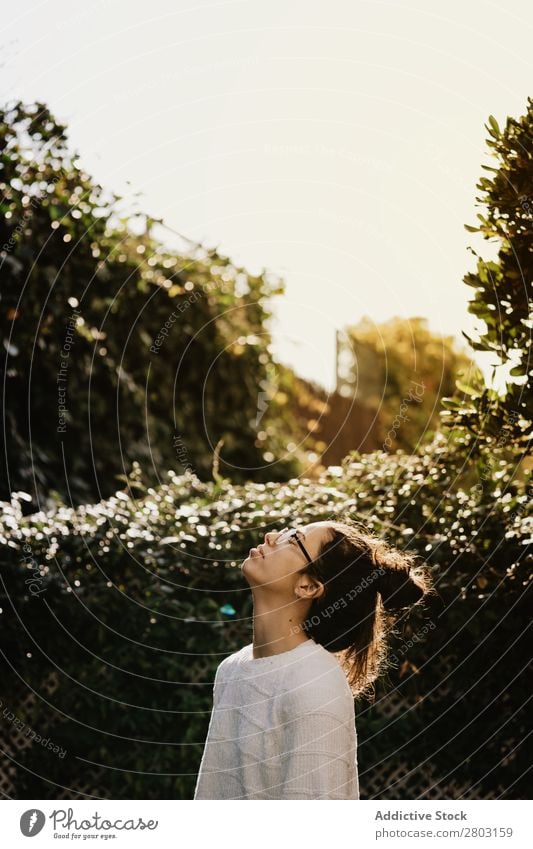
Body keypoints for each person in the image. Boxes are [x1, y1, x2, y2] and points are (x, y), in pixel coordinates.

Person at [194, 516, 434, 800]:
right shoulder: (232, 670)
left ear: (308, 586)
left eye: (293, 540)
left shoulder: (315, 686)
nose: (272, 536)